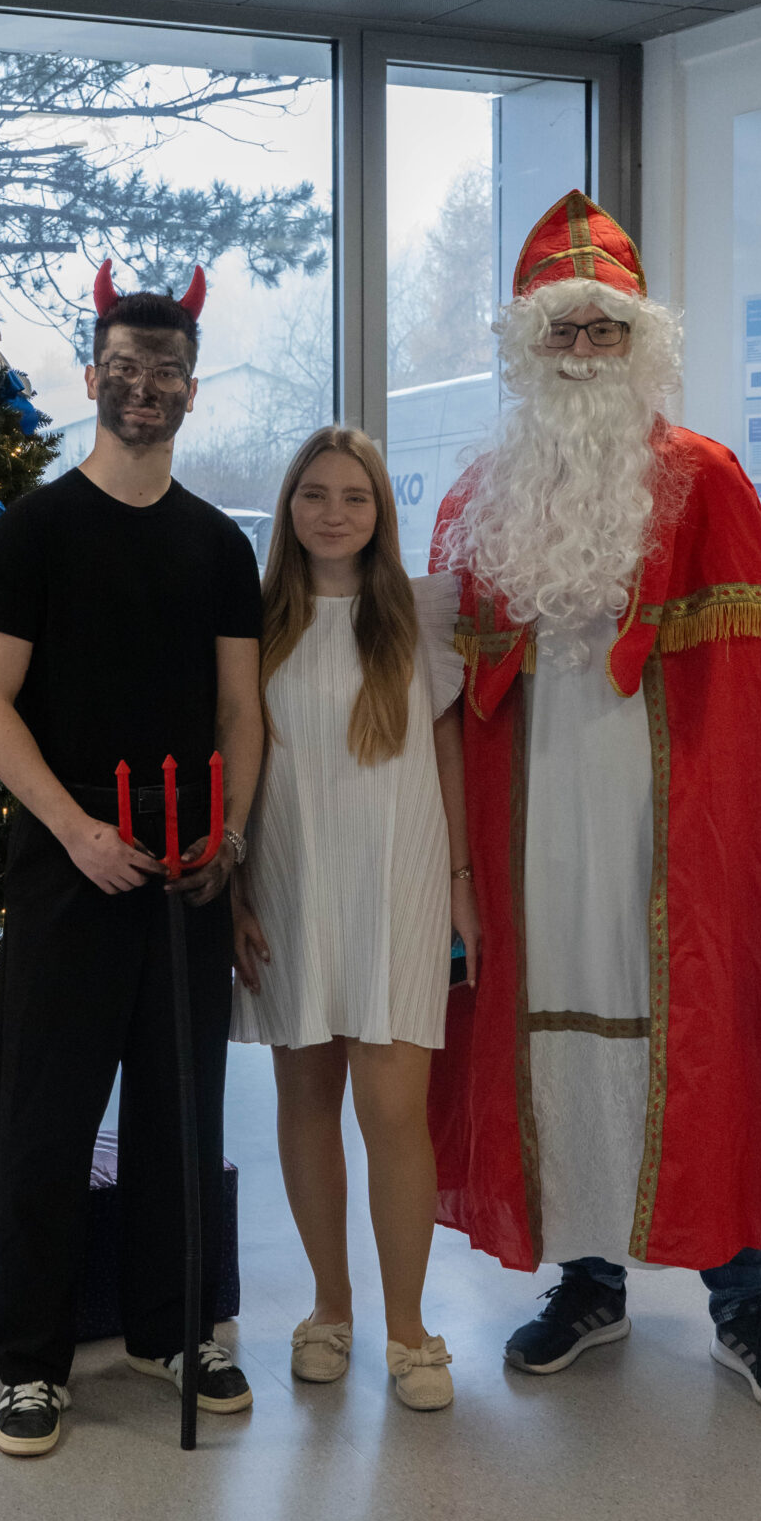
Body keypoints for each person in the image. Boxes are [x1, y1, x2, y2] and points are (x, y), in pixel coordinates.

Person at [427, 190, 761, 1419]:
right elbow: (450, 693)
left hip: (671, 826)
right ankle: (587, 1280)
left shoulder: (704, 481)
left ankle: (740, 1301)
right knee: (551, 1030)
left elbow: (745, 697)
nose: (582, 351)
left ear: (636, 342)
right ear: (528, 347)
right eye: (561, 331)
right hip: (533, 827)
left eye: (602, 329)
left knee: (700, 1025)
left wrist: (718, 833)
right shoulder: (480, 494)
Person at [0, 259, 265, 1457]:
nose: (146, 386)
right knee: (46, 1112)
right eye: (126, 368)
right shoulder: (30, 532)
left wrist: (229, 834)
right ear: (92, 379)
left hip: (189, 853)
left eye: (167, 371)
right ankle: (32, 1363)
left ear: (192, 390)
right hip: (69, 854)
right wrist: (73, 830)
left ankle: (172, 1328)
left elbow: (239, 709)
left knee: (180, 1111)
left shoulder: (217, 545)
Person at [232, 427, 478, 1410]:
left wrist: (460, 884)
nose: (332, 513)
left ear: (380, 513)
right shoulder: (252, 621)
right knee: (305, 1104)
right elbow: (230, 756)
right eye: (314, 495)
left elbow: (448, 752)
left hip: (398, 882)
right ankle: (328, 1310)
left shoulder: (421, 615)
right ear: (287, 509)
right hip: (290, 880)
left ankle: (409, 1332)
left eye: (354, 497)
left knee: (392, 1114)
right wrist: (234, 889)